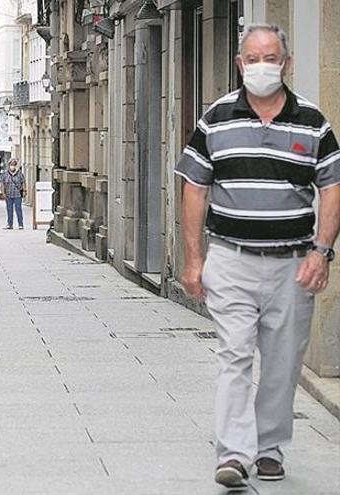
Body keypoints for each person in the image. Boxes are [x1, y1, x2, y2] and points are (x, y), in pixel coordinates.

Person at [175, 24, 339, 492]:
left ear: (285, 63)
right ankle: (233, 454)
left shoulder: (312, 122)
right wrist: (193, 259)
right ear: (240, 64)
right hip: (231, 258)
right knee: (234, 354)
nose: (262, 65)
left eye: (271, 57)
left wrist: (322, 251)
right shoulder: (217, 118)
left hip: (292, 264)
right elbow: (195, 189)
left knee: (283, 362)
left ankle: (269, 448)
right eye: (253, 58)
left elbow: (332, 187)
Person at [0, 158, 26, 229]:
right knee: (9, 210)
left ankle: (20, 224)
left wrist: (24, 191)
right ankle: (10, 224)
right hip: (8, 194)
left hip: (17, 194)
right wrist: (3, 192)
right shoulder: (5, 174)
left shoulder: (20, 173)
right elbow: (2, 184)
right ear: (9, 165)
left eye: (14, 164)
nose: (12, 166)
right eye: (11, 164)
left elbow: (23, 182)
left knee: (18, 209)